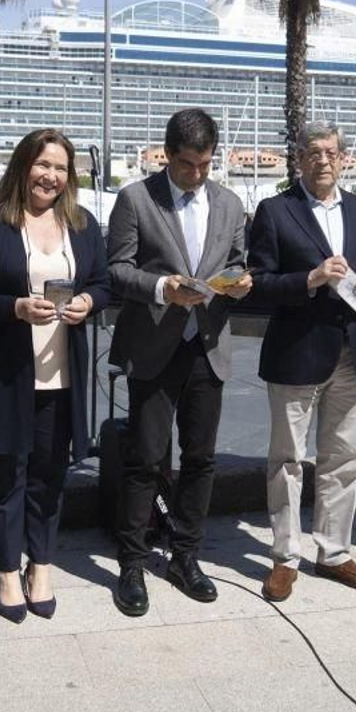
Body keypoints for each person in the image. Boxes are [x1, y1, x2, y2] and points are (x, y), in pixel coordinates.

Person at [108, 108, 252, 617]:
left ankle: (186, 556)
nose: (196, 175)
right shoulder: (135, 199)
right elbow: (118, 271)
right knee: (145, 458)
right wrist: (161, 287)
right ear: (167, 155)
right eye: (187, 165)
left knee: (201, 458)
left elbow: (237, 260)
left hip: (207, 346)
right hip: (153, 344)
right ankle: (131, 560)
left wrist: (239, 281)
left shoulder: (231, 203)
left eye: (205, 165)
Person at [0, 129, 108, 622]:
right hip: (6, 372)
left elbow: (103, 283)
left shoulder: (82, 224)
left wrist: (88, 301)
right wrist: (14, 307)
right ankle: (6, 569)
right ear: (23, 166)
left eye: (61, 168)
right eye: (43, 165)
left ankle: (40, 564)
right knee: (4, 477)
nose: (51, 175)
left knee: (48, 476)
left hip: (62, 373)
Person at [248, 121, 356, 601]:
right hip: (297, 352)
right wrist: (309, 278)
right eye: (314, 152)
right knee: (287, 459)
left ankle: (333, 551)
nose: (324, 160)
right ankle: (285, 556)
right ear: (299, 158)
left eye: (331, 152)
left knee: (345, 457)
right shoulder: (275, 210)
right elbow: (258, 283)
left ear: (344, 158)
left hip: (355, 352)